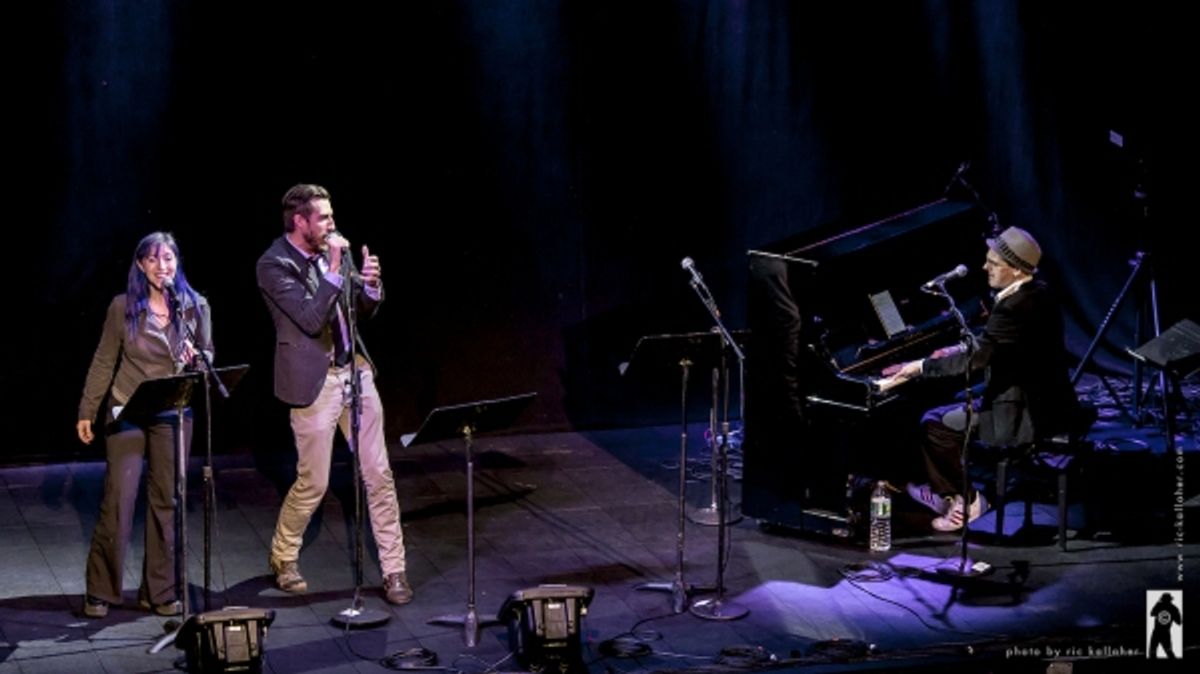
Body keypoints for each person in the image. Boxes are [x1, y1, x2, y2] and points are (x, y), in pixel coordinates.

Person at [257, 183, 412, 605]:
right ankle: (284, 555)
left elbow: (357, 309)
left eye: (331, 214)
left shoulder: (333, 254)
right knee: (315, 482)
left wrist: (371, 288)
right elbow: (309, 319)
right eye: (322, 217)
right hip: (315, 382)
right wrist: (334, 266)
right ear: (299, 221)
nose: (331, 223)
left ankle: (395, 570)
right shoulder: (273, 265)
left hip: (355, 372)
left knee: (378, 474)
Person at [883, 226, 1081, 531]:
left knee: (933, 424)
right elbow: (998, 344)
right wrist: (956, 348)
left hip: (1022, 412)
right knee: (953, 402)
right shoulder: (1038, 293)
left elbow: (977, 360)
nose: (984, 267)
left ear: (1015, 270)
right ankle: (942, 487)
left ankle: (967, 499)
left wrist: (918, 367)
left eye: (993, 263)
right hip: (1050, 400)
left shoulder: (1012, 308)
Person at [77, 232, 213, 618]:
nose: (162, 266)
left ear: (177, 262)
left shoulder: (194, 306)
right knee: (118, 499)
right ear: (141, 265)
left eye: (168, 258)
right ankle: (101, 590)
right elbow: (104, 360)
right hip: (128, 411)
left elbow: (207, 357)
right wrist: (88, 409)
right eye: (152, 260)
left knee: (167, 501)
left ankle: (160, 590)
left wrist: (196, 360)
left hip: (173, 412)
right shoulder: (123, 308)